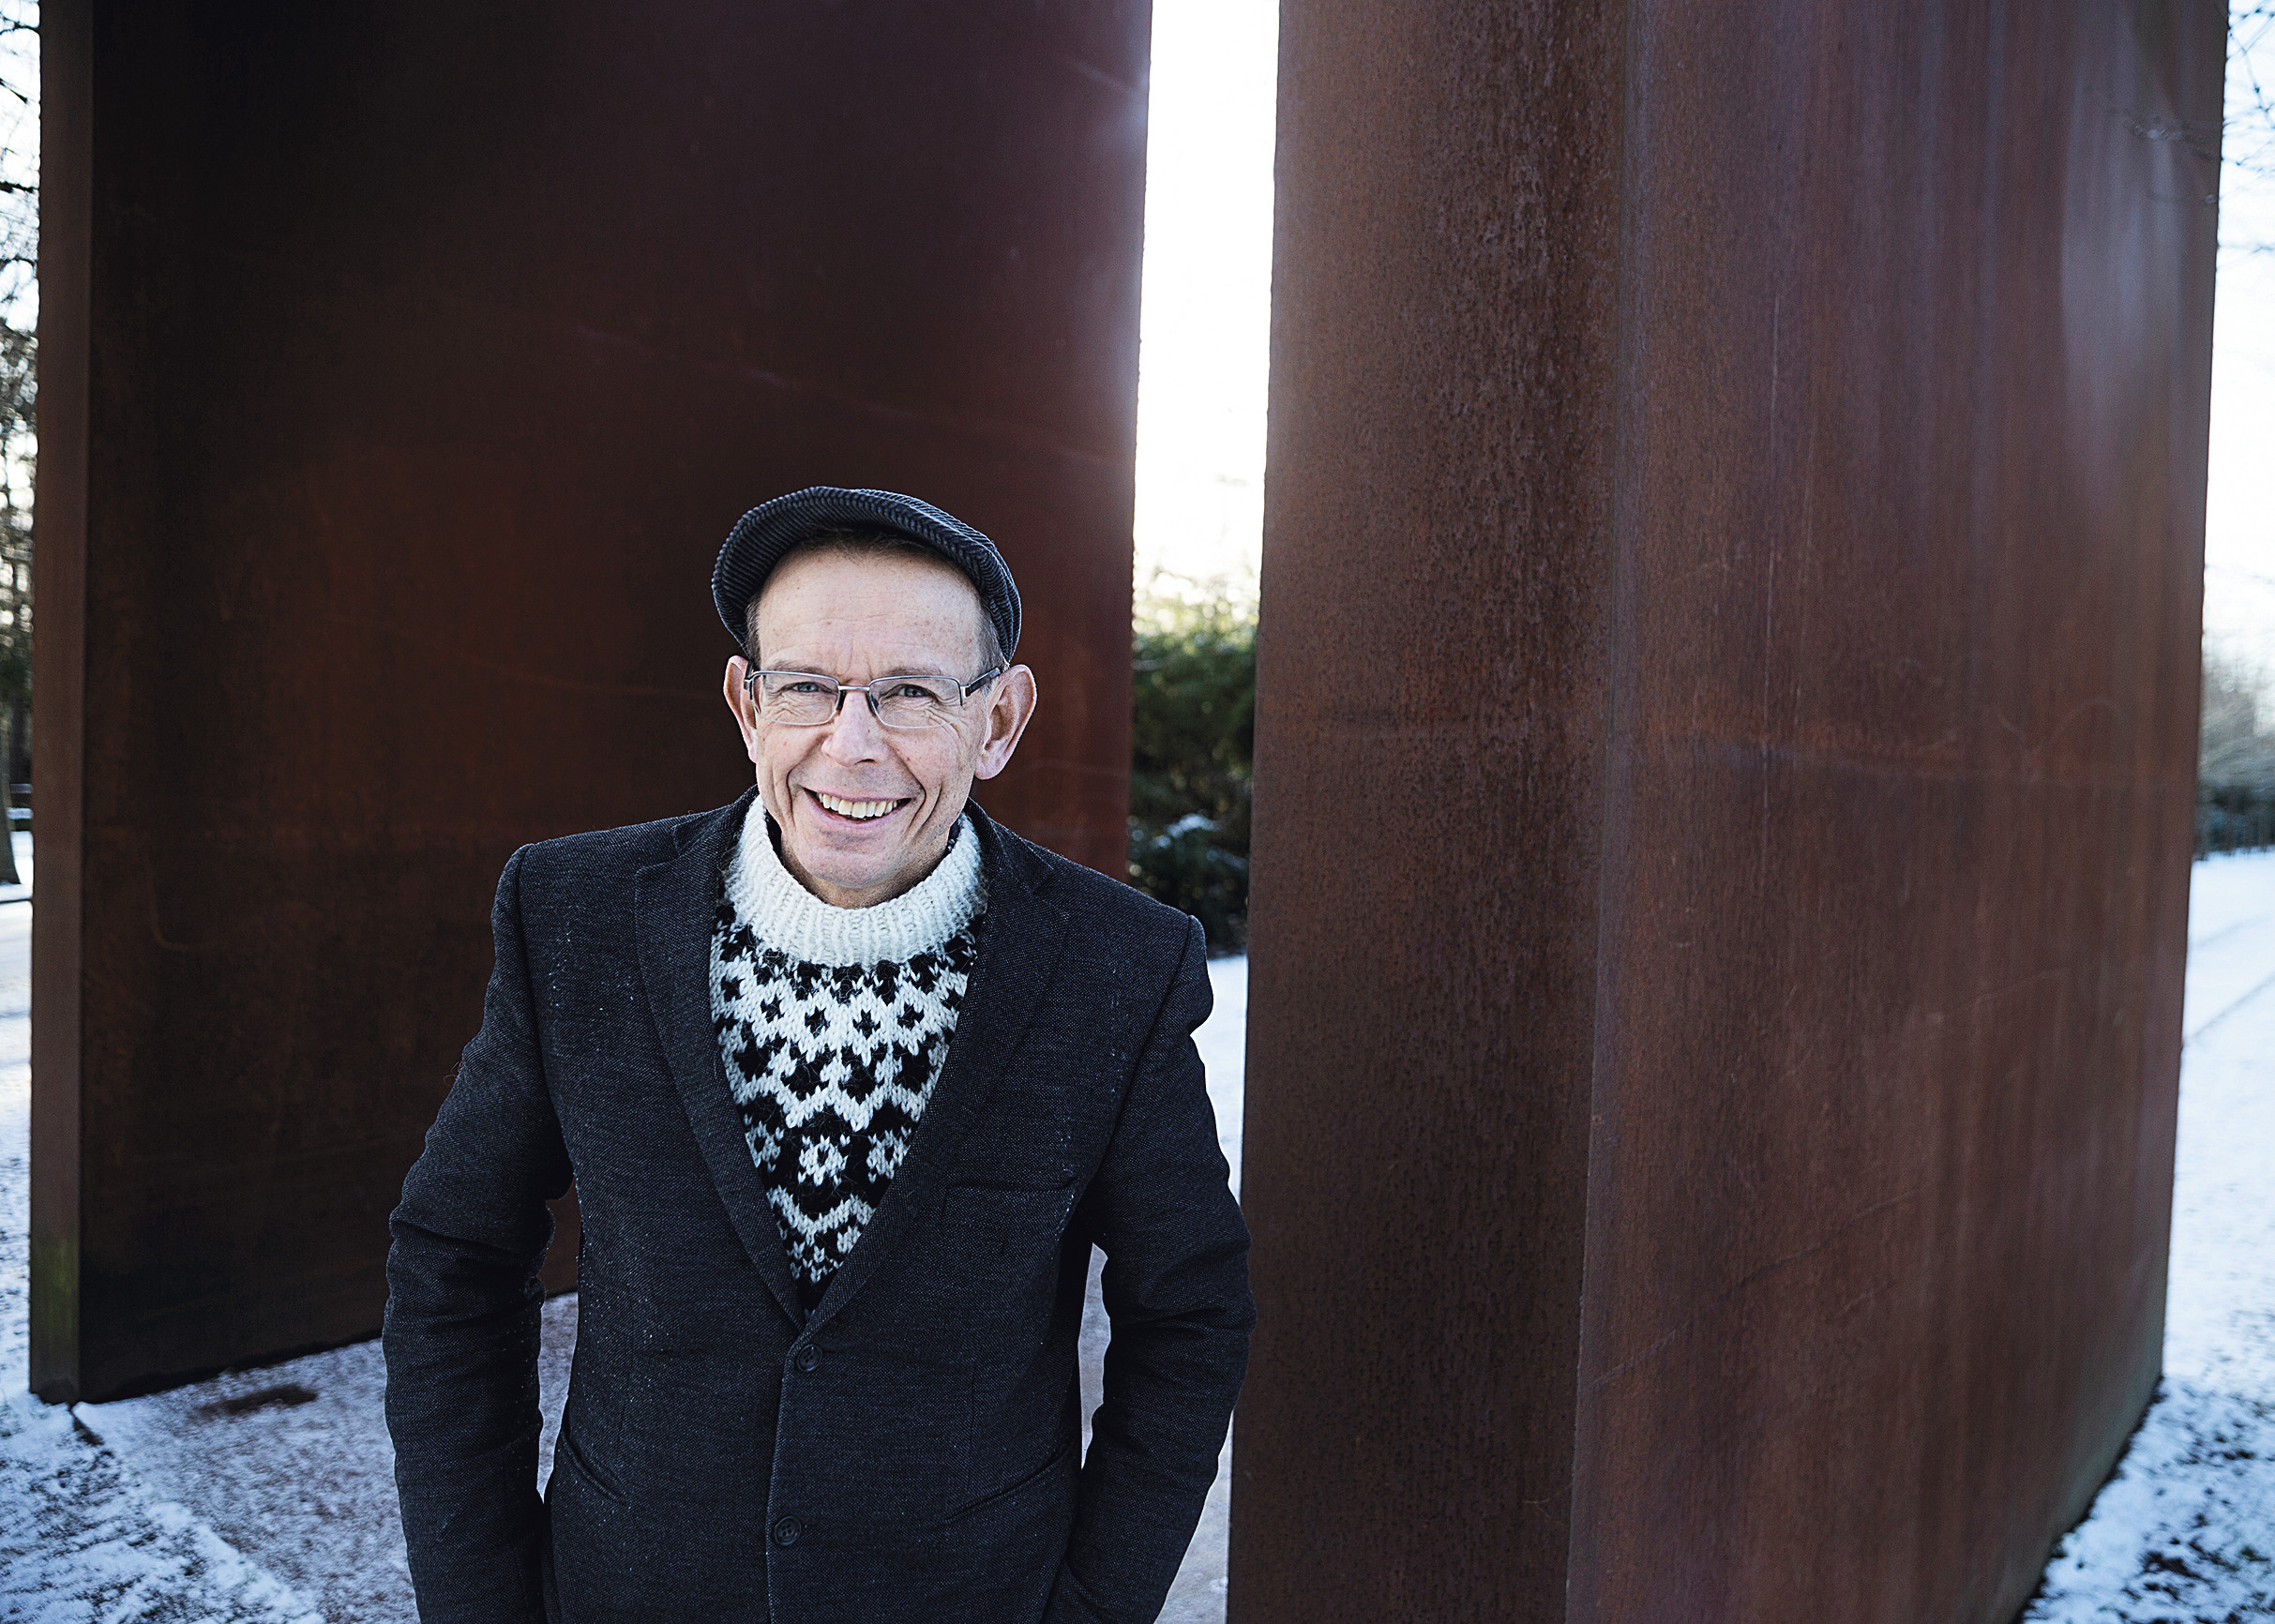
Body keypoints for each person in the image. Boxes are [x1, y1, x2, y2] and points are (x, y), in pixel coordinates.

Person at [383, 487, 1253, 1624]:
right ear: (746, 704)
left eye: (911, 693)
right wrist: (480, 1602)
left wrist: (1094, 1608)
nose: (852, 744)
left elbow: (1188, 1310)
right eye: (804, 687)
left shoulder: (1117, 968)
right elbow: (454, 1253)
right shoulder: (572, 915)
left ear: (997, 721)